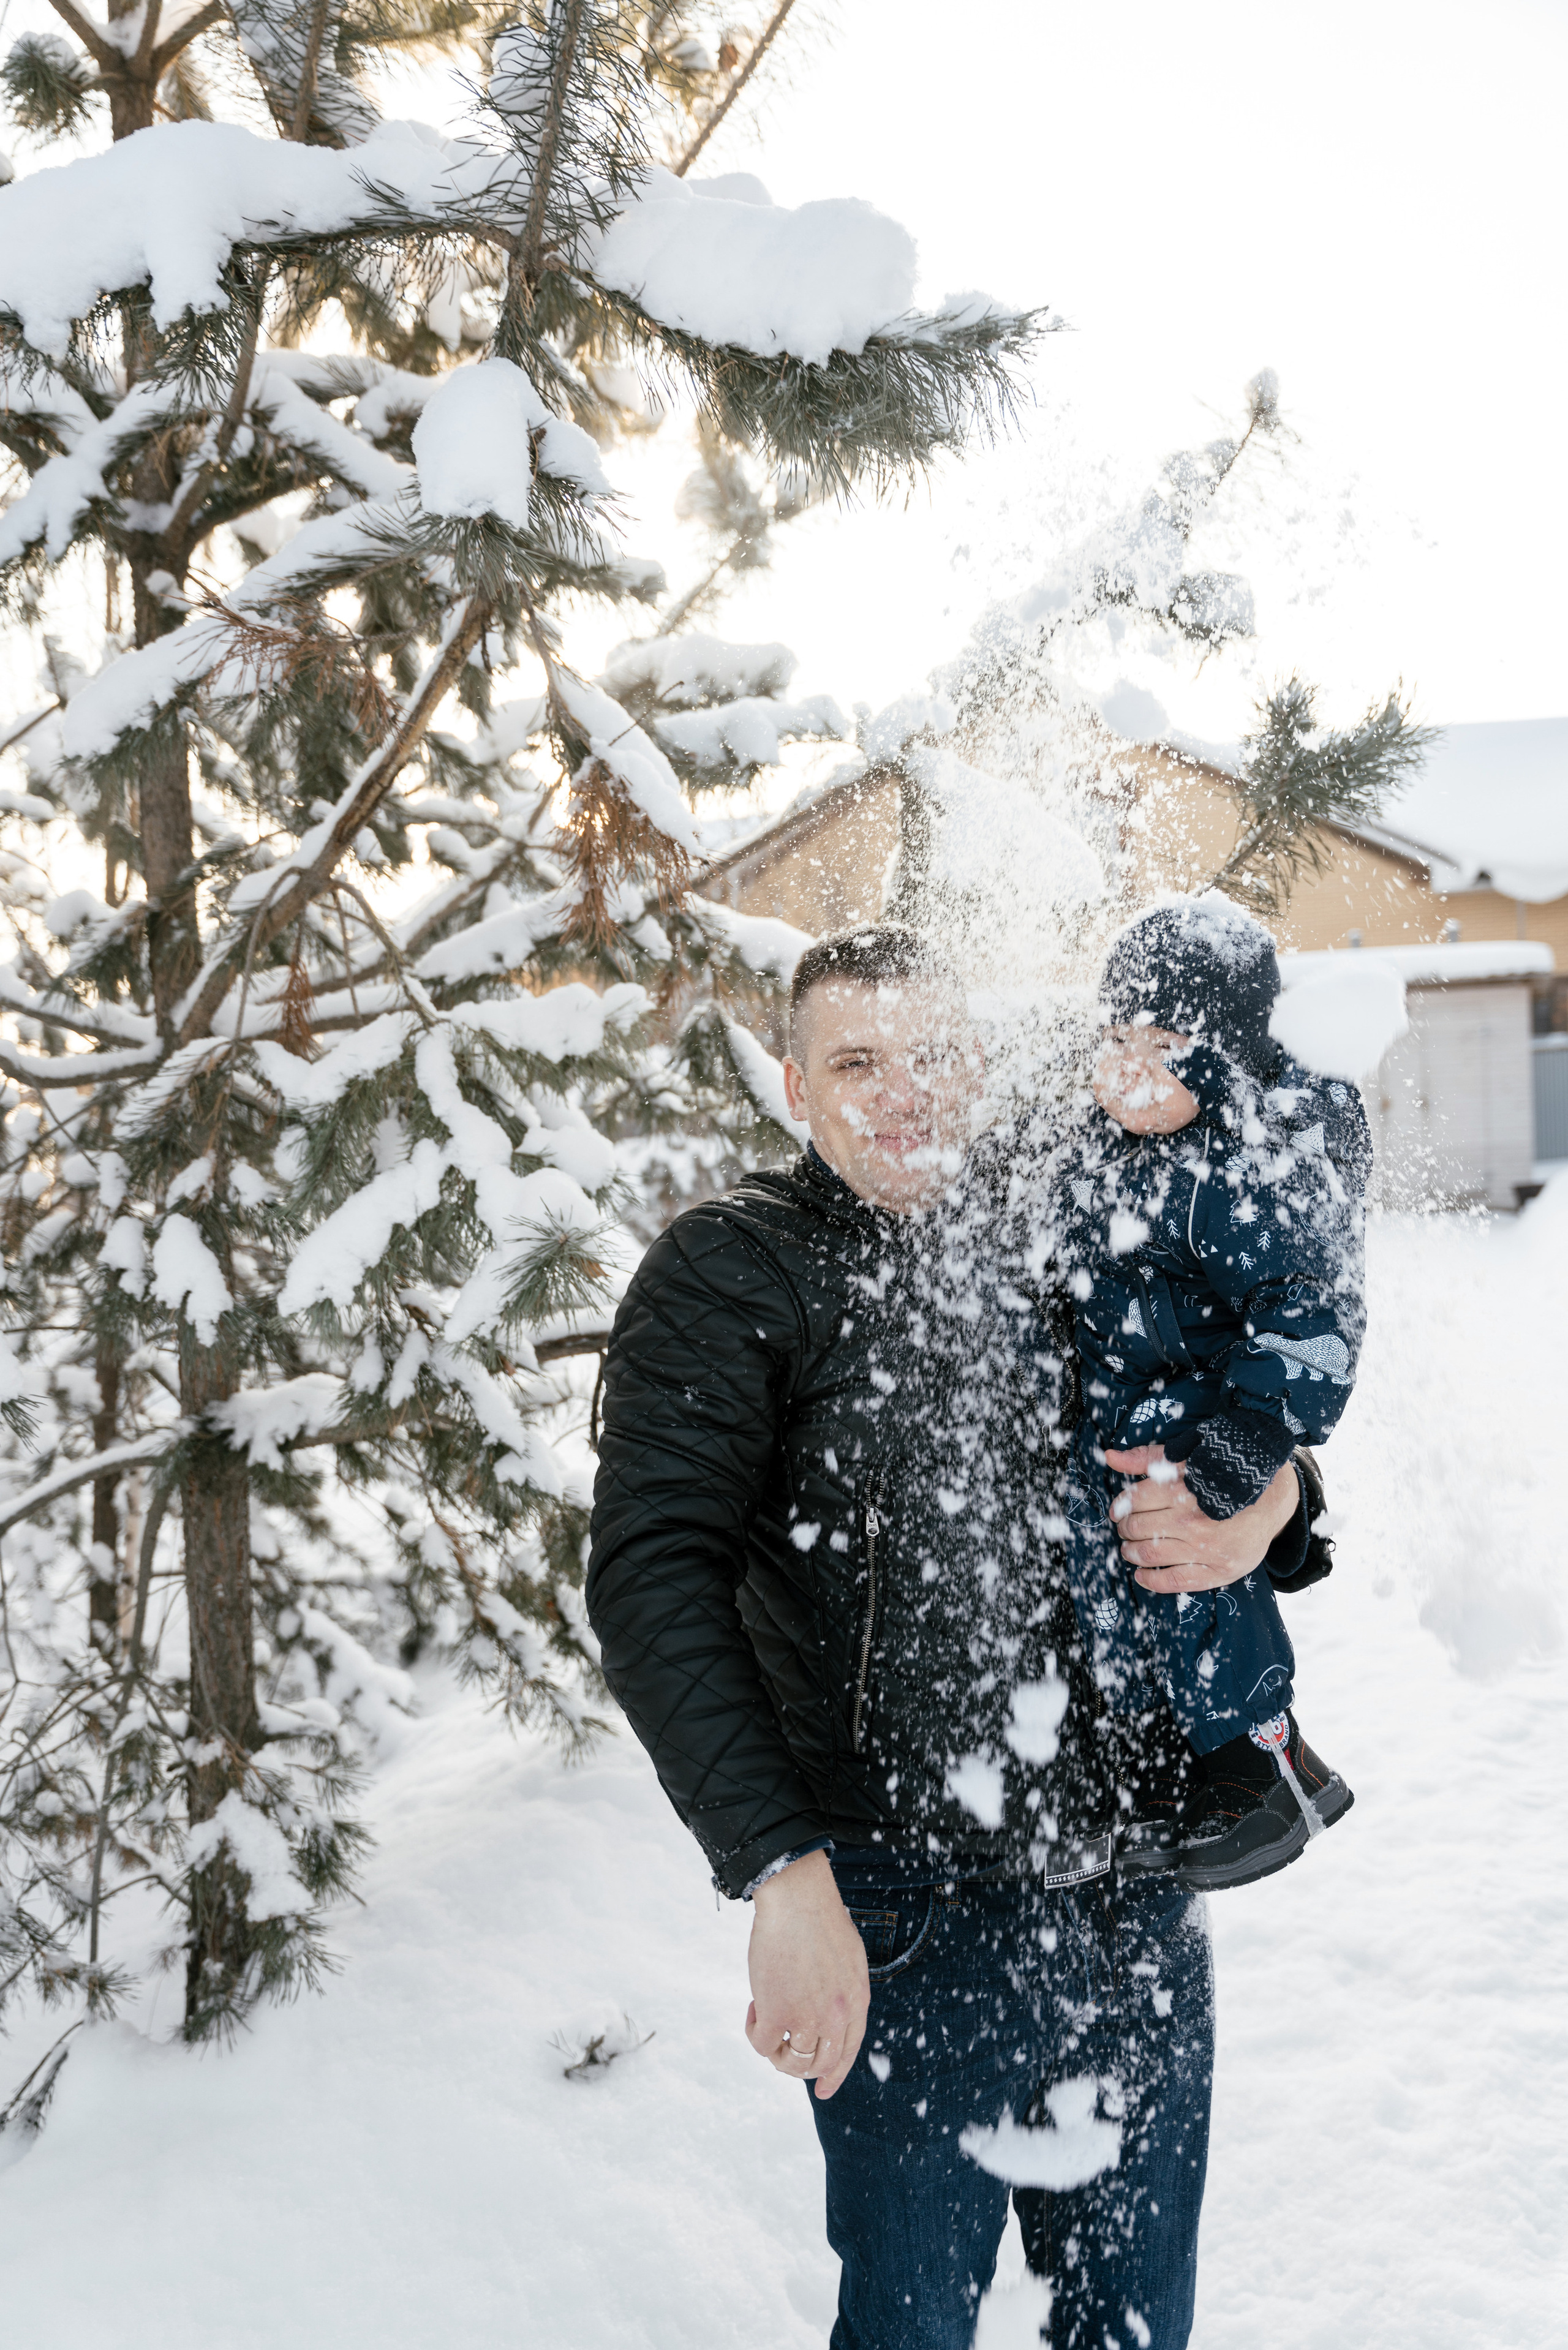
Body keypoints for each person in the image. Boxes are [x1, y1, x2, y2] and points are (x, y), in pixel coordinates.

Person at [587, 925, 1324, 2349]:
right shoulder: (737, 1268)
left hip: (1132, 1876)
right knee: (913, 2325)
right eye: (855, 1060)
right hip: (900, 1900)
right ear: (794, 1086)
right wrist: (779, 1869)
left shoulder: (1076, 1225)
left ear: (977, 1063)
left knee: (1129, 2328)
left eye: (931, 1053)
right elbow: (650, 1578)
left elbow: (1224, 1410)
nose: (899, 1090)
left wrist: (1273, 1506)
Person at [1052, 898, 1366, 1890]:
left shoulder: (1251, 1174)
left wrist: (1248, 1446)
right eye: (1114, 1036)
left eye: (1168, 1040)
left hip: (1198, 1431)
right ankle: (1150, 1763)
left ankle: (1259, 1751)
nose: (1130, 1062)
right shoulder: (1100, 1154)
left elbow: (1311, 1316)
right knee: (1117, 1579)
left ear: (1229, 1058)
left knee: (1187, 1566)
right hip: (1112, 1425)